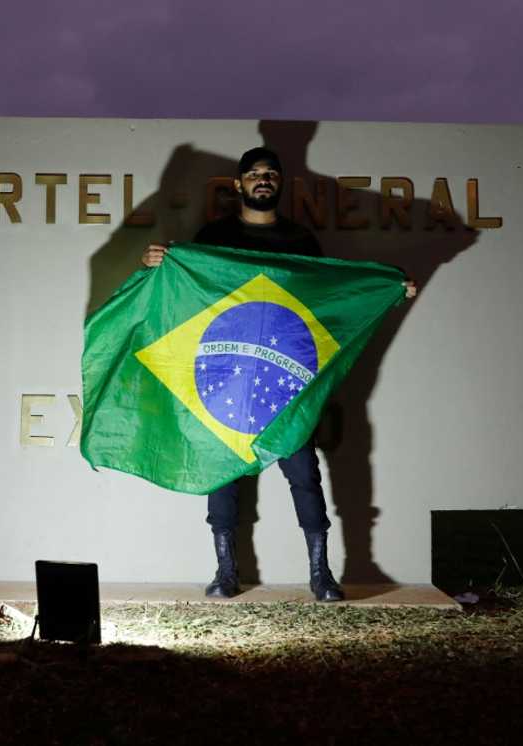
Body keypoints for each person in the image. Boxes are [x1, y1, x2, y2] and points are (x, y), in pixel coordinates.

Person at [141, 147, 417, 602]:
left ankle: (322, 574)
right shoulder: (215, 235)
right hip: (228, 374)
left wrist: (387, 288)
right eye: (253, 174)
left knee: (304, 473)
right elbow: (190, 288)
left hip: (285, 377)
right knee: (222, 472)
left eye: (270, 173)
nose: (262, 180)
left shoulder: (300, 240)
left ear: (280, 183)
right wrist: (155, 265)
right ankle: (225, 572)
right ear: (238, 185)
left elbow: (327, 295)